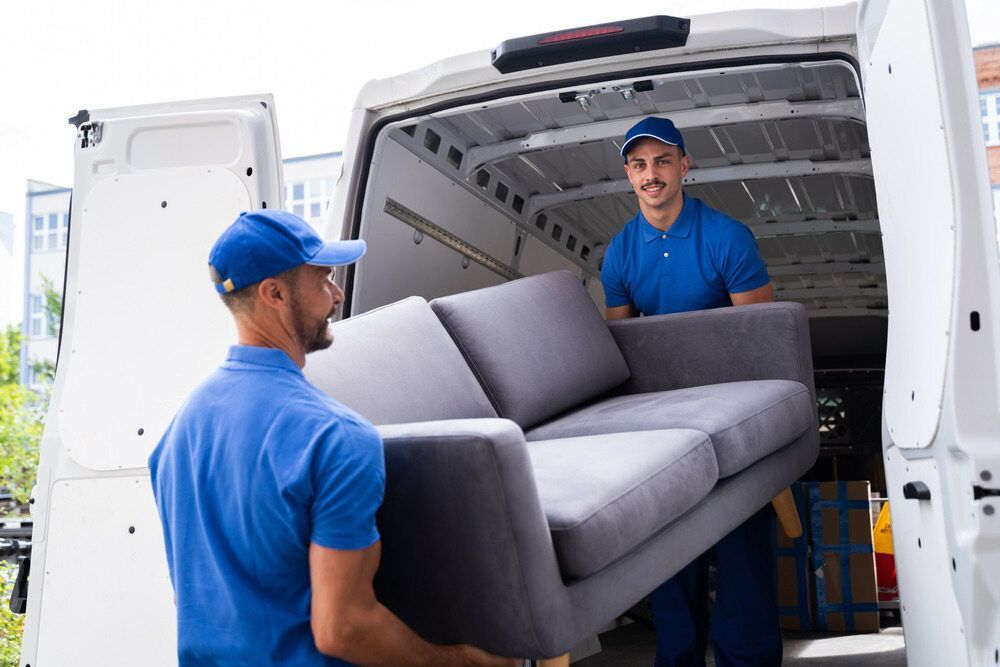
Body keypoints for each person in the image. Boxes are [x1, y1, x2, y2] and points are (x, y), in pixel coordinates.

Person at [148, 210, 516, 666]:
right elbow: (344, 629)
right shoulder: (335, 437)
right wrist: (464, 661)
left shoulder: (176, 436)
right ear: (275, 293)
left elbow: (193, 599)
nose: (337, 295)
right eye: (322, 280)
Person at [601, 117, 781, 667]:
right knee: (669, 563)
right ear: (629, 175)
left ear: (684, 165)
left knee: (743, 559)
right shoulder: (619, 254)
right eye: (639, 165)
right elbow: (622, 352)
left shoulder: (726, 237)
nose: (650, 174)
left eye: (661, 161)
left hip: (734, 419)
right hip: (663, 427)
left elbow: (764, 342)